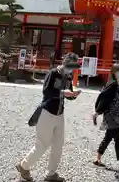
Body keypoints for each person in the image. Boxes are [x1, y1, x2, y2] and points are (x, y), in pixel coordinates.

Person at [16, 53, 81, 182]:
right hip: (47, 112)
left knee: (58, 145)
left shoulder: (69, 76)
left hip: (59, 113)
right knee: (42, 144)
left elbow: (68, 93)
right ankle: (24, 166)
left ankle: (51, 174)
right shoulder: (53, 73)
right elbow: (46, 91)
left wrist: (73, 95)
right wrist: (63, 92)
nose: (73, 70)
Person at [92, 64, 119, 172]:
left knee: (108, 137)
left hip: (117, 116)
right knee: (118, 138)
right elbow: (104, 99)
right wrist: (97, 112)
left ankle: (97, 160)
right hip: (111, 116)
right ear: (114, 72)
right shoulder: (112, 85)